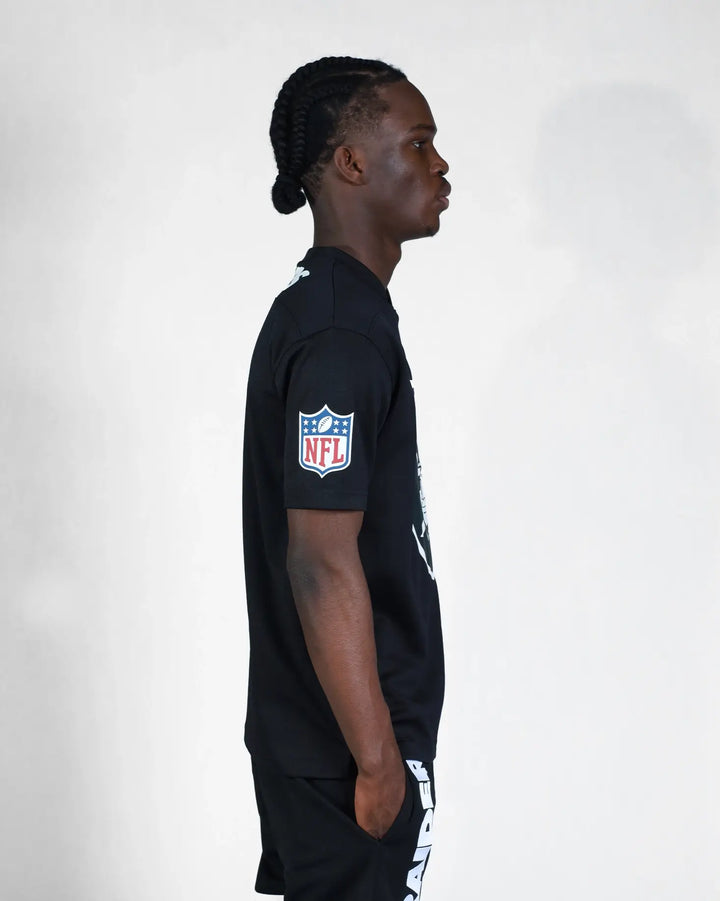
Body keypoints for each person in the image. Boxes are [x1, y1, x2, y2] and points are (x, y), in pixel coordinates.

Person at [242, 55, 450, 901]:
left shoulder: (332, 312)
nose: (441, 164)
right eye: (419, 142)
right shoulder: (338, 334)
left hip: (324, 742)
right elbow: (320, 560)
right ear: (353, 163)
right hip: (344, 751)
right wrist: (376, 757)